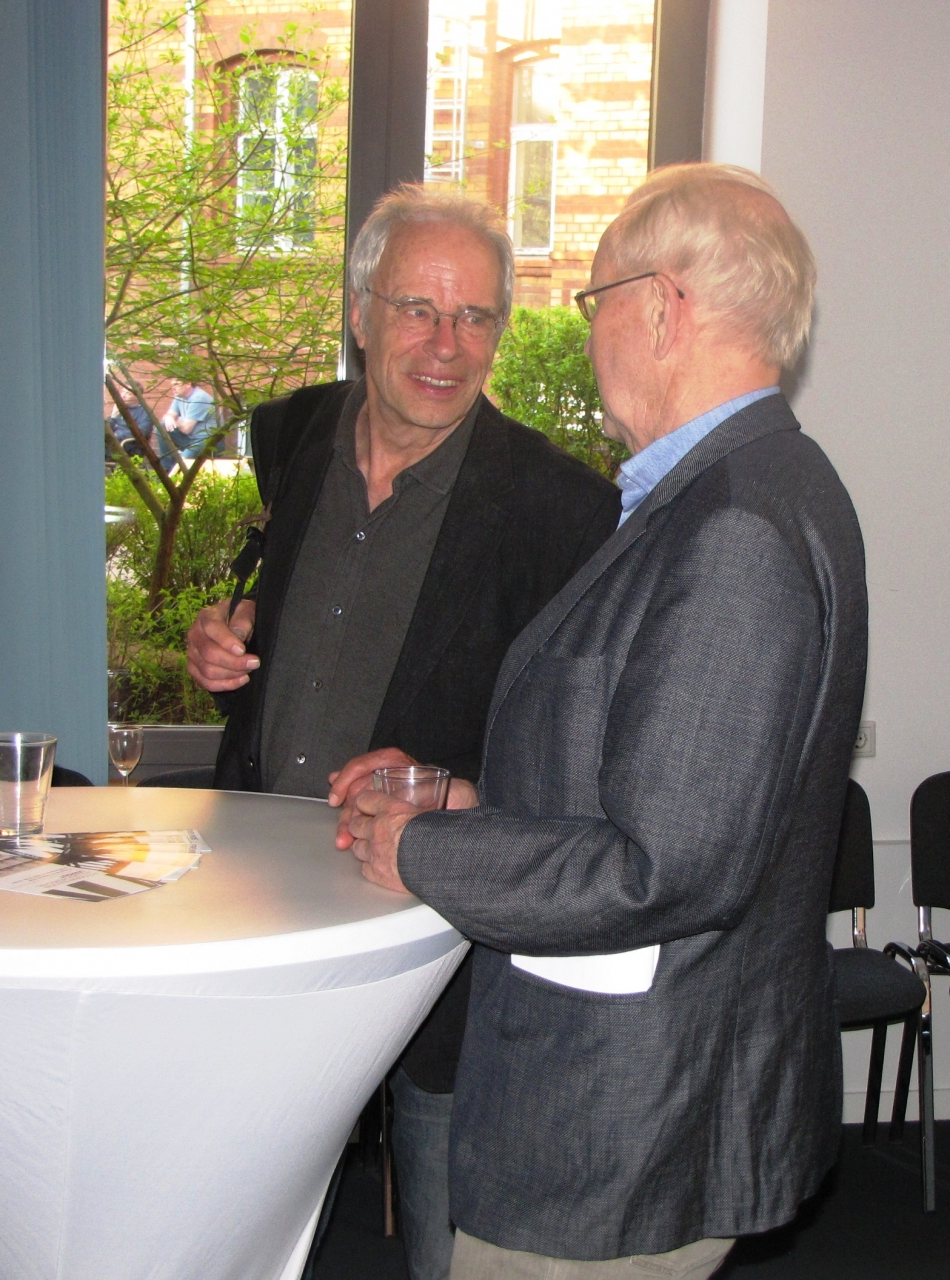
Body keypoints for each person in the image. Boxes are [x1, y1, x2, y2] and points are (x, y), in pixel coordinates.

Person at [339, 163, 868, 1279]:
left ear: (663, 308)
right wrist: (470, 799)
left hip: (619, 1123)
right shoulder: (737, 488)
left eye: (594, 303)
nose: (587, 337)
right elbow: (655, 783)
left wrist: (423, 848)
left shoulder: (734, 526)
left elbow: (662, 868)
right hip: (630, 1101)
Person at [186, 185, 620, 1279]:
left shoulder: (560, 508)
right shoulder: (291, 437)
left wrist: (447, 780)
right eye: (418, 309)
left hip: (432, 932)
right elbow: (293, 618)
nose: (445, 344)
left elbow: (578, 750)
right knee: (238, 1229)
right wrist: (229, 639)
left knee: (444, 1238)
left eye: (474, 316)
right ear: (359, 312)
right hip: (262, 910)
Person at [163, 378, 219, 460]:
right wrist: (169, 417)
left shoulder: (199, 398)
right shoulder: (179, 397)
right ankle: (166, 464)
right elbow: (168, 415)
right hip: (189, 438)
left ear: (188, 384)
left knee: (184, 461)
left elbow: (186, 429)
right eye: (172, 385)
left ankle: (181, 459)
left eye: (177, 384)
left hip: (204, 440)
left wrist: (173, 420)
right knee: (162, 427)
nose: (173, 388)